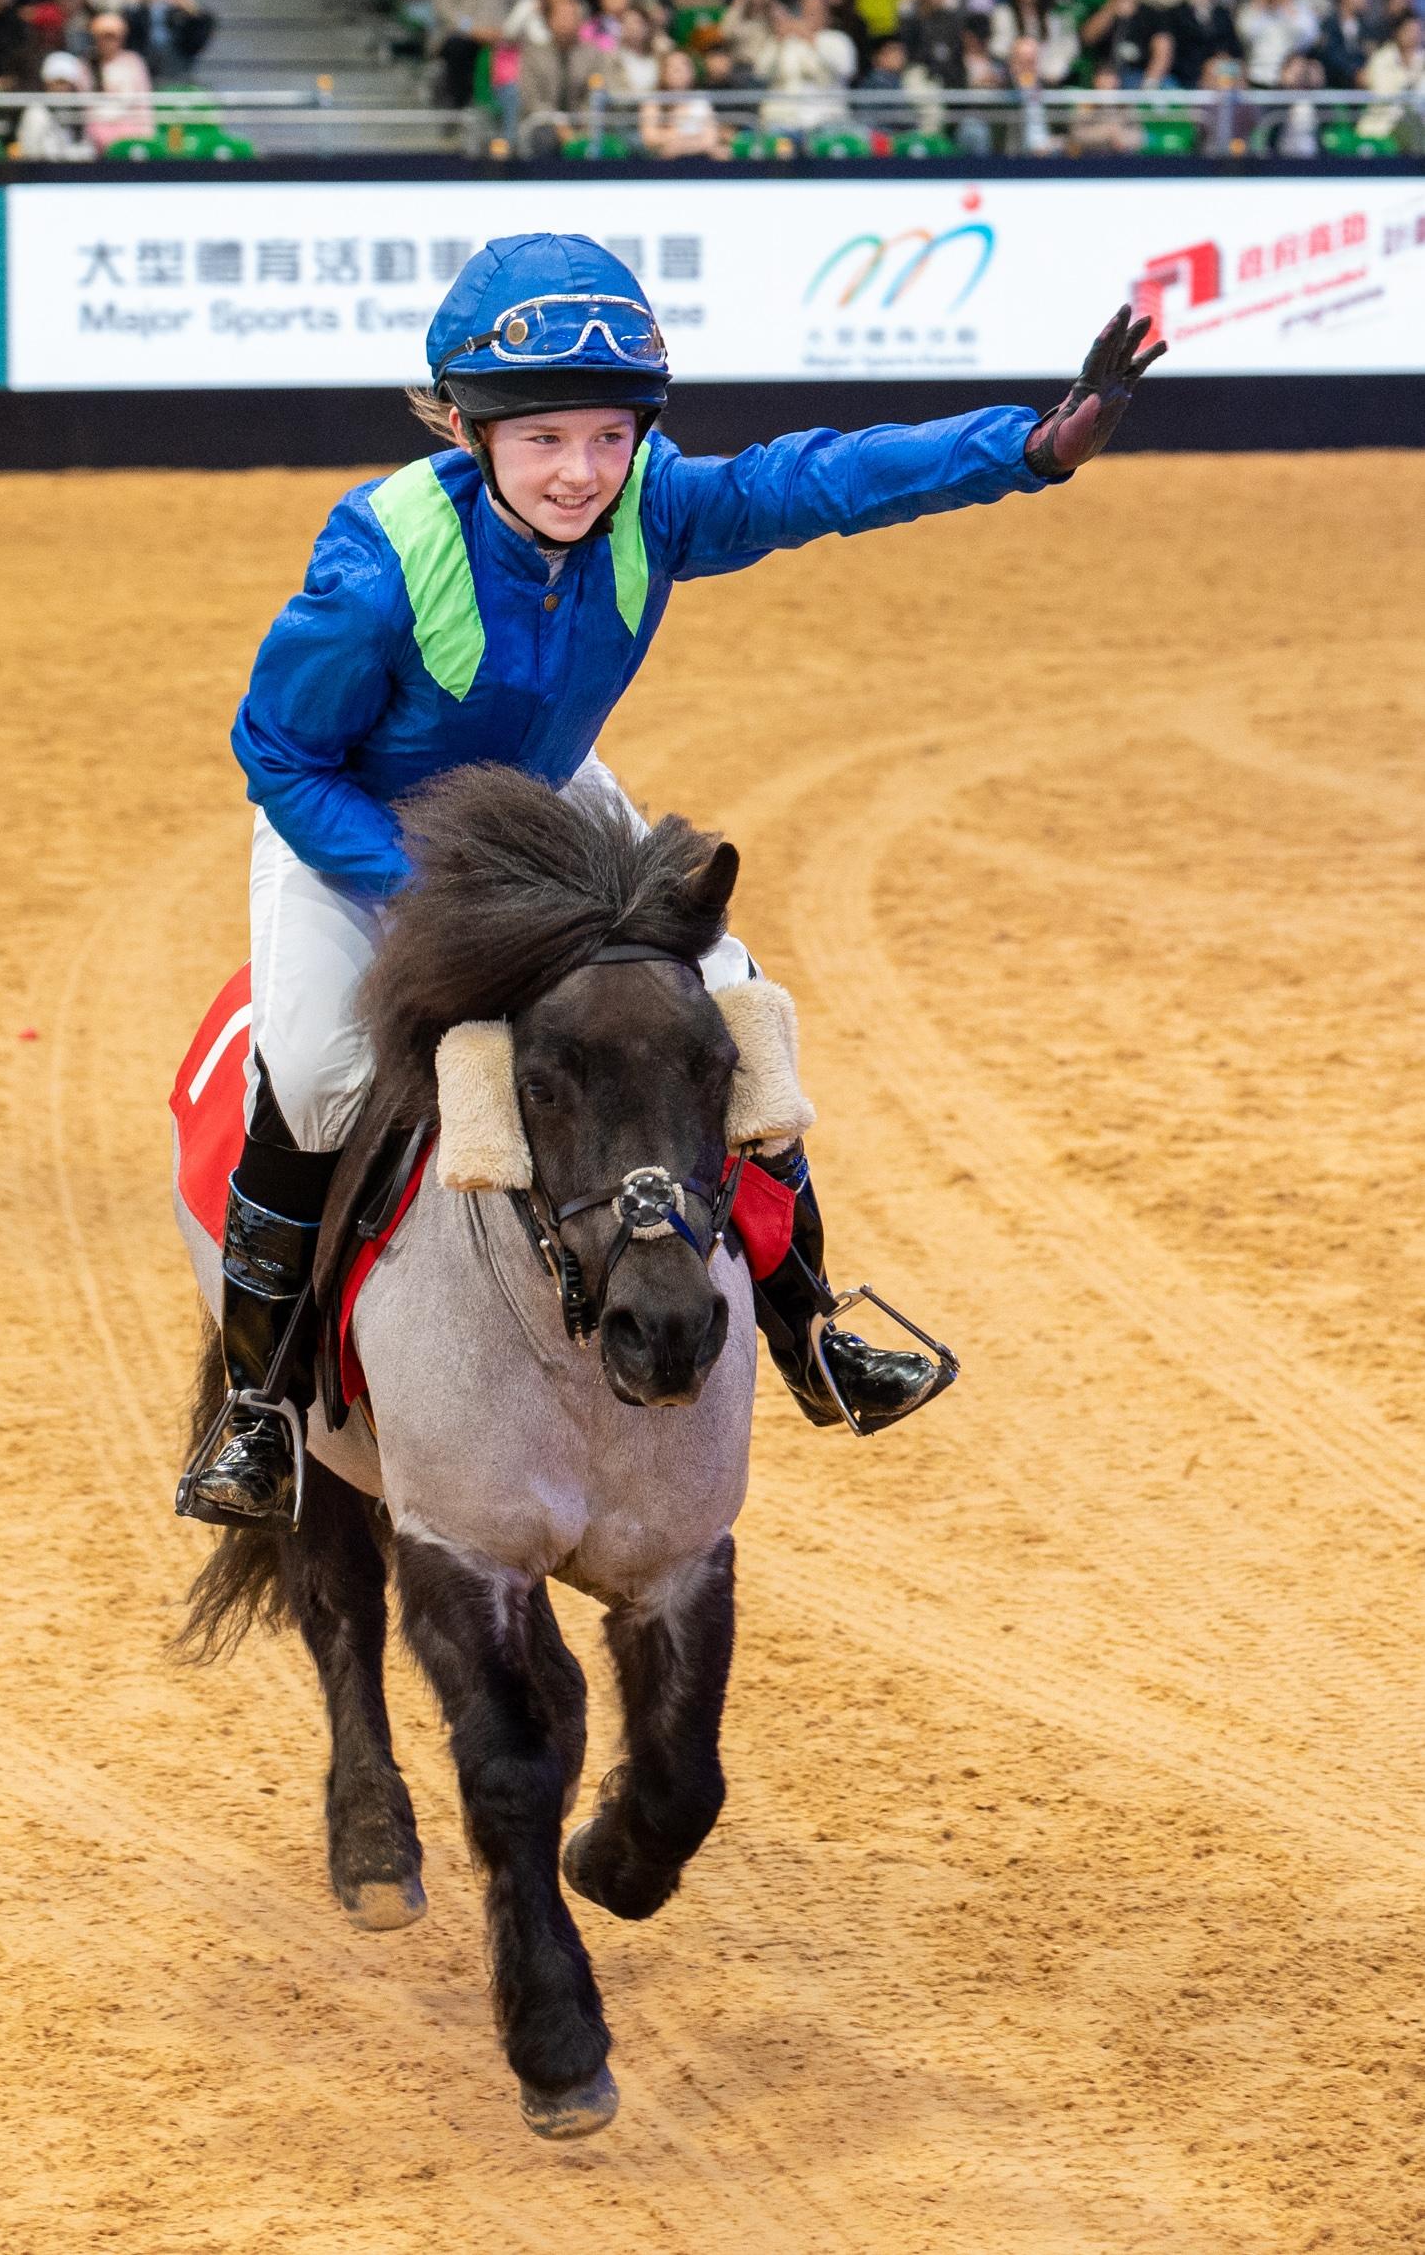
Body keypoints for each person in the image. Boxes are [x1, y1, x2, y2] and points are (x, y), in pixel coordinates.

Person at [180, 233, 1166, 1526]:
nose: (583, 473)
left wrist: (1028, 449)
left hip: (548, 805)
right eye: (543, 442)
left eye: (609, 436)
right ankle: (259, 1411)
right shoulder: (376, 565)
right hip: (367, 826)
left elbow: (821, 480)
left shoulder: (655, 505)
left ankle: (810, 1320)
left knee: (738, 1002)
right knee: (311, 1073)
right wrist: (417, 884)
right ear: (469, 431)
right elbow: (279, 753)